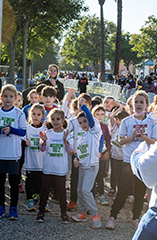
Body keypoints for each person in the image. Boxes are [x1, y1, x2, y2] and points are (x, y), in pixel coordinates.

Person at [105, 90, 157, 230]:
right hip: (129, 160)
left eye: (142, 102)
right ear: (132, 105)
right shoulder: (127, 121)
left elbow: (156, 141)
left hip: (144, 161)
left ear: (147, 105)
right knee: (123, 189)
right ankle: (112, 216)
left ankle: (136, 218)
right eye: (136, 102)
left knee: (140, 192)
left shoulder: (152, 122)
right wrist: (132, 137)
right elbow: (121, 141)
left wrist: (145, 139)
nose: (139, 104)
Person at [0, 84, 27, 220]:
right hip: (0, 153)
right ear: (1, 98)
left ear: (16, 98)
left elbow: (24, 132)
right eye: (5, 96)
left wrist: (11, 129)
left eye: (11, 97)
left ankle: (13, 207)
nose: (8, 99)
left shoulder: (19, 113)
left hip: (13, 154)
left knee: (13, 182)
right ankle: (0, 207)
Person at [36, 109, 74, 224]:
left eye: (58, 119)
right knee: (44, 192)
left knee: (61, 193)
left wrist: (65, 141)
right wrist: (43, 142)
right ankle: (41, 213)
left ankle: (64, 213)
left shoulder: (66, 134)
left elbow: (70, 151)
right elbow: (42, 149)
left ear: (63, 120)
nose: (55, 121)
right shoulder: (47, 133)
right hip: (48, 168)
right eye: (53, 119)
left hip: (60, 170)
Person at [70, 98, 103, 229]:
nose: (83, 124)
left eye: (85, 121)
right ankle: (83, 213)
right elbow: (80, 152)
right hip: (83, 167)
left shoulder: (94, 131)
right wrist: (76, 159)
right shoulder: (81, 136)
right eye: (80, 122)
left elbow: (89, 117)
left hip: (92, 165)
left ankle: (95, 215)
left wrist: (83, 106)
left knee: (85, 190)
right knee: (80, 190)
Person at [66, 93, 92, 211]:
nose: (79, 110)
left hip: (89, 155)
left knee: (87, 179)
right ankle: (73, 200)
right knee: (75, 178)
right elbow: (67, 134)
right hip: (77, 154)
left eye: (82, 107)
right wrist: (72, 147)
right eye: (77, 107)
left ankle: (86, 202)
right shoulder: (72, 121)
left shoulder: (92, 121)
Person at [24, 104, 47, 211]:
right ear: (30, 115)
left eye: (38, 114)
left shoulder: (45, 129)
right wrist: (25, 143)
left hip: (42, 163)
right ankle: (29, 200)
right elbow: (22, 141)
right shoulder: (27, 129)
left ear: (43, 116)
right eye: (33, 114)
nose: (36, 116)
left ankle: (41, 199)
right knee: (29, 181)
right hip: (30, 162)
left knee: (41, 182)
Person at [91, 105, 111, 206]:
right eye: (97, 114)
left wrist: (107, 151)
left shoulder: (105, 127)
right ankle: (92, 195)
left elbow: (108, 140)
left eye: (102, 114)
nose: (100, 116)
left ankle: (101, 195)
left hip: (102, 156)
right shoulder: (90, 126)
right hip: (92, 156)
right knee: (92, 176)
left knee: (100, 176)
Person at [109, 109, 130, 197]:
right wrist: (118, 109)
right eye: (117, 119)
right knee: (113, 174)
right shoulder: (115, 127)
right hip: (114, 155)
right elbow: (111, 118)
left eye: (120, 119)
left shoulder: (127, 131)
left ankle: (122, 192)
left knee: (121, 177)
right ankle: (113, 188)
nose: (117, 121)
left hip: (122, 158)